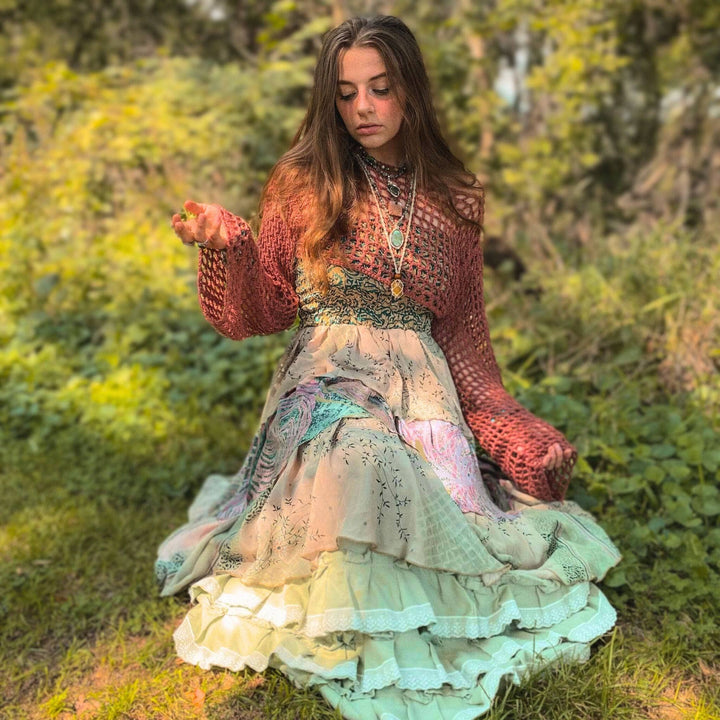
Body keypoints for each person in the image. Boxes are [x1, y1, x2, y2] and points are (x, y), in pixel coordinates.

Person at [157, 15, 621, 719]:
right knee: (358, 459)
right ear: (330, 100)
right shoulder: (303, 182)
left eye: (380, 88)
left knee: (431, 494)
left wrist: (509, 423)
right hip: (326, 378)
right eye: (346, 94)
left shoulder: (457, 197)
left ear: (411, 90)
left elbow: (464, 333)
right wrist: (230, 248)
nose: (364, 108)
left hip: (424, 397)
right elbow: (263, 310)